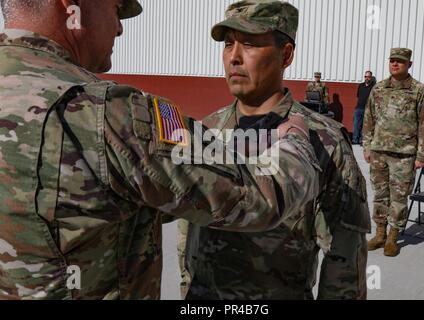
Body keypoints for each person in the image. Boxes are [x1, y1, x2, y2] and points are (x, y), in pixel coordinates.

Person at [0, 0, 321, 299]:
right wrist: (295, 142)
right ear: (72, 7)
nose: (119, 27)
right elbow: (261, 199)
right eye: (115, 7)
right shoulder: (112, 113)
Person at [178, 0, 371, 300]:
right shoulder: (207, 131)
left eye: (251, 44)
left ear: (286, 55)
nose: (234, 58)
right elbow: (186, 229)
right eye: (228, 45)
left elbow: (344, 260)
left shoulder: (324, 141)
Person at [363, 48, 424, 257]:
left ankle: (393, 237)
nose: (395, 64)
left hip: (404, 154)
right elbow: (368, 119)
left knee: (399, 197)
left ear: (409, 65)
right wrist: (367, 146)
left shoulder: (418, 91)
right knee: (380, 195)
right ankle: (379, 234)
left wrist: (422, 155)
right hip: (378, 151)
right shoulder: (378, 89)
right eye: (392, 61)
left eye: (400, 62)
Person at [352, 71, 375, 144]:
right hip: (358, 108)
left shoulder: (373, 87)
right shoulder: (361, 85)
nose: (367, 78)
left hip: (367, 109)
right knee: (356, 124)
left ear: (371, 77)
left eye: (368, 77)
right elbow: (358, 95)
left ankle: (362, 141)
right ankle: (355, 140)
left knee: (365, 126)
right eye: (365, 76)